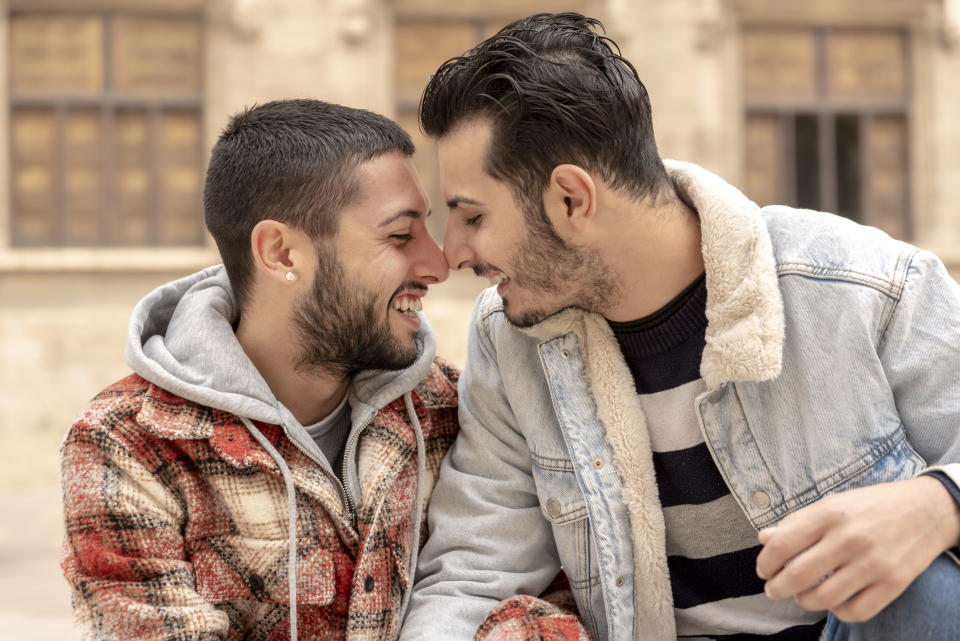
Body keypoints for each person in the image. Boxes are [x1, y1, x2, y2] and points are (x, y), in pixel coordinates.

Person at [399, 13, 960, 641]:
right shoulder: (509, 340)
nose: (452, 256)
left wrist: (940, 503)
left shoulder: (860, 285)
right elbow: (475, 576)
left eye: (471, 217)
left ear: (571, 200)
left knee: (925, 594)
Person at [60, 99, 459, 641]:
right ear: (282, 254)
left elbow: (521, 605)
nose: (438, 264)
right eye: (399, 236)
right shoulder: (128, 443)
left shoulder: (449, 410)